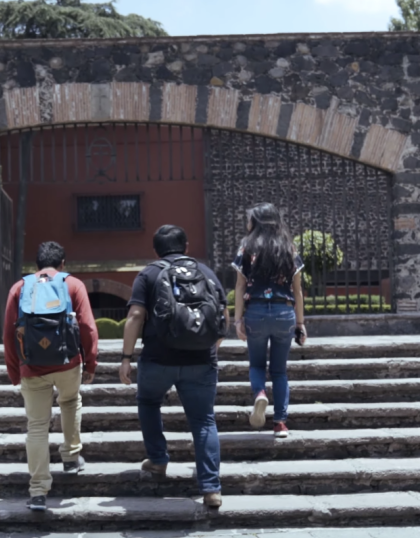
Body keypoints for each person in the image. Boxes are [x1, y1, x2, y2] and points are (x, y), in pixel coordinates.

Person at [118, 225, 230, 508]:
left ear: (155, 250)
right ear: (187, 246)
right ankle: (211, 489)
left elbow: (134, 315)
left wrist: (126, 358)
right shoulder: (206, 272)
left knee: (148, 402)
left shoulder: (149, 274)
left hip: (158, 359)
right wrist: (210, 347)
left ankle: (157, 460)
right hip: (201, 361)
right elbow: (222, 315)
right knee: (204, 420)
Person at [2, 241, 99, 512]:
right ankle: (70, 457)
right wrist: (91, 363)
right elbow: (89, 328)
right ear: (63, 264)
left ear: (36, 266)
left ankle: (38, 491)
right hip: (68, 363)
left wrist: (14, 370)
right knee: (70, 402)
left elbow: (9, 335)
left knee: (36, 426)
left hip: (32, 366)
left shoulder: (20, 287)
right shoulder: (73, 285)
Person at [232, 203, 307, 439]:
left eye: (249, 219)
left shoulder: (246, 247)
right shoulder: (289, 248)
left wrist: (237, 320)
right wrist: (300, 324)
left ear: (257, 222)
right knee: (279, 371)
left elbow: (240, 285)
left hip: (255, 312)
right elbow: (297, 291)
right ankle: (280, 424)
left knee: (256, 365)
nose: (247, 224)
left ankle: (260, 394)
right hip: (284, 313)